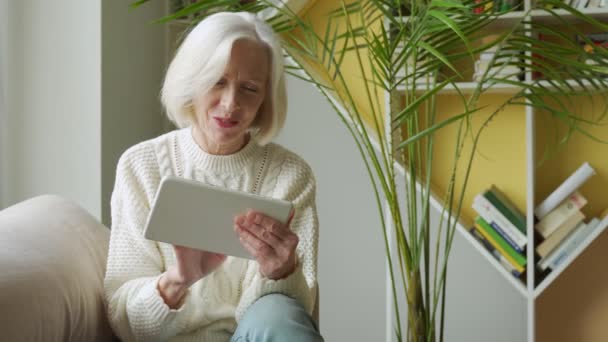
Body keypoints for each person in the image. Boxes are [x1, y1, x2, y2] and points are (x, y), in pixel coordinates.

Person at [103, 11, 323, 342]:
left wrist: (279, 272)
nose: (231, 103)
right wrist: (178, 279)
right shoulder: (141, 166)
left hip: (255, 334)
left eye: (249, 88)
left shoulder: (290, 175)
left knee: (278, 310)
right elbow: (126, 323)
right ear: (191, 81)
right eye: (217, 81)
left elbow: (291, 315)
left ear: (265, 99)